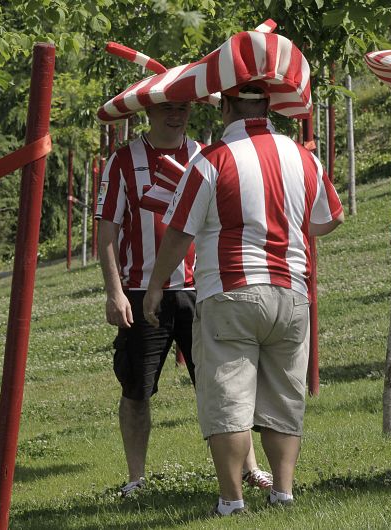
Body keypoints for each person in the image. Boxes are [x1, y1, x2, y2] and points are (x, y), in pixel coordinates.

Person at [142, 83, 344, 515]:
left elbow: (179, 231)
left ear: (227, 107)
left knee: (227, 399)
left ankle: (231, 501)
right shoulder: (302, 156)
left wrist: (156, 284)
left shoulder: (211, 160)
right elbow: (330, 218)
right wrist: (288, 224)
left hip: (230, 290)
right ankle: (283, 492)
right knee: (284, 398)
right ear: (267, 106)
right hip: (292, 293)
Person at [96, 101, 272, 498]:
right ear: (149, 111)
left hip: (203, 290)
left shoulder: (205, 156)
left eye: (182, 108)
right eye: (166, 109)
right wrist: (114, 292)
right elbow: (107, 231)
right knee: (136, 389)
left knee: (224, 386)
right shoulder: (123, 161)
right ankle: (136, 479)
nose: (175, 115)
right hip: (142, 293)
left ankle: (250, 469)